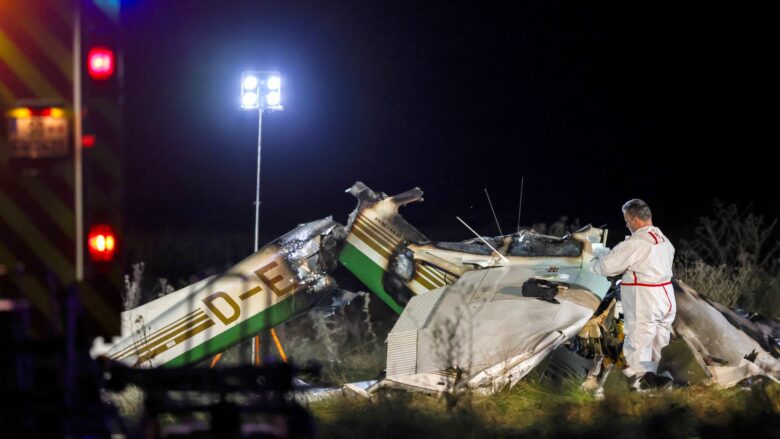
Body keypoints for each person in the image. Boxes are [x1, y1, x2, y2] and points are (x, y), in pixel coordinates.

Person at [591, 199, 676, 383]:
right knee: (660, 346)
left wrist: (593, 263)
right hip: (666, 298)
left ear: (636, 220)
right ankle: (663, 384)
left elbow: (606, 267)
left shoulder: (636, 243)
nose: (627, 225)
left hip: (646, 301)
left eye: (627, 220)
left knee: (638, 349)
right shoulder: (663, 239)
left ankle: (641, 391)